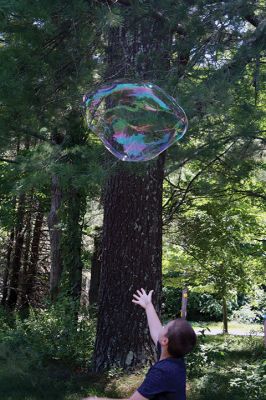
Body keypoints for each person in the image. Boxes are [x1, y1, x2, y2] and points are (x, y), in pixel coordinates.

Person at [82, 288, 197, 400]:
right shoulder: (175, 357)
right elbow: (156, 331)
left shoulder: (162, 372)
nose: (163, 326)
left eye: (166, 326)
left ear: (165, 341)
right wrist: (148, 305)